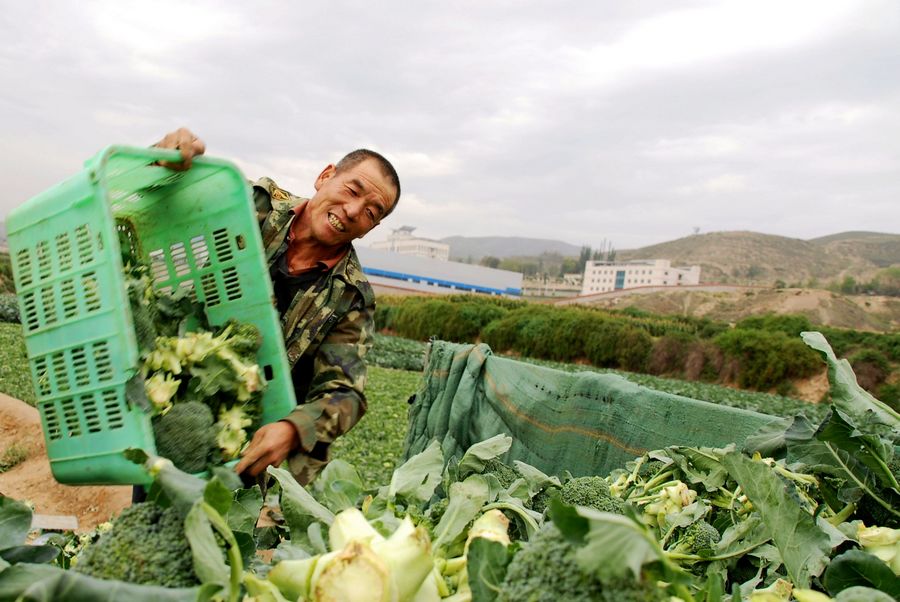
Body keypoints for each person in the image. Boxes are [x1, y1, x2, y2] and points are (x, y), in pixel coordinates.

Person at [154, 127, 400, 485]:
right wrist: (165, 158)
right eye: (351, 190)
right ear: (325, 176)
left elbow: (347, 393)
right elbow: (170, 198)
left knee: (225, 530)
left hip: (245, 438)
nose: (351, 211)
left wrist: (291, 428)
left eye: (369, 212)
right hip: (176, 391)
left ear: (369, 228)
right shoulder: (254, 205)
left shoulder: (351, 297)